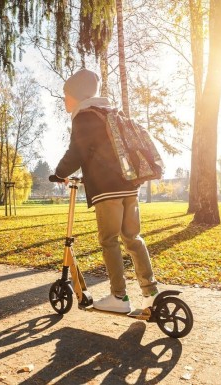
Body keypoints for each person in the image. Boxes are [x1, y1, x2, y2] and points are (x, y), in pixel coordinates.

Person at [54, 68, 158, 313]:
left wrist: (59, 173)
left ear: (77, 95)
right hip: (129, 186)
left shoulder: (84, 117)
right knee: (132, 238)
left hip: (107, 189)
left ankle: (119, 297)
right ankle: (151, 292)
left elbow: (76, 153)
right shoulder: (111, 113)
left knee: (109, 240)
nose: (65, 100)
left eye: (66, 95)